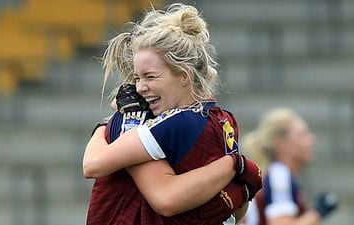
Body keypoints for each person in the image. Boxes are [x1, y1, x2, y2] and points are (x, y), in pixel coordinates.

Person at [83, 3, 262, 224]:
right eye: (137, 78)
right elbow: (234, 210)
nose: (139, 87)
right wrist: (238, 171)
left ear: (184, 75)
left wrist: (107, 126)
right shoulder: (223, 119)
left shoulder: (168, 122)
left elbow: (93, 164)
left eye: (150, 76)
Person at [238, 108, 339, 225]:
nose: (311, 140)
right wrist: (318, 213)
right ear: (280, 144)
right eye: (302, 134)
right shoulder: (279, 174)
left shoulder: (276, 174)